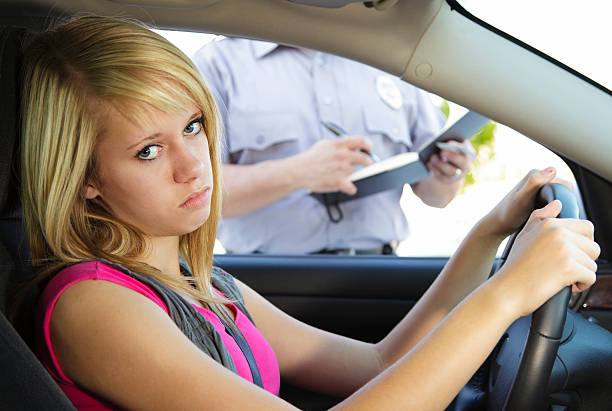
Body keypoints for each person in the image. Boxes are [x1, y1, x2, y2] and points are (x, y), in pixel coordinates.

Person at [22, 16, 599, 410]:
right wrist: (506, 295)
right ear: (86, 178)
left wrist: (486, 234)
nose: (194, 165)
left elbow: (380, 364)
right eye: (148, 151)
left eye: (194, 127)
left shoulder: (208, 287)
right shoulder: (93, 305)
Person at [193, 39, 476, 254]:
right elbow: (198, 190)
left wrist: (447, 173)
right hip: (266, 286)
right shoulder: (219, 63)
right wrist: (297, 172)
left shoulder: (390, 60)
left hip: (381, 277)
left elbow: (437, 197)